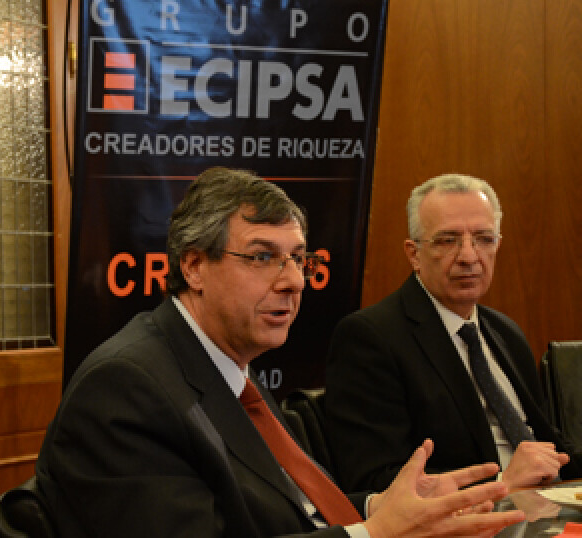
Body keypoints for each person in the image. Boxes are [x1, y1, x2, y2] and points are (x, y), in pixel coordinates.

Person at [35, 167, 524, 537]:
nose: (293, 281)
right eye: (262, 257)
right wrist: (373, 534)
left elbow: (291, 512)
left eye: (297, 258)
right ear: (194, 267)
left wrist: (382, 507)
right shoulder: (127, 387)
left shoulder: (229, 367)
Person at [324, 173, 581, 494]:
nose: (469, 257)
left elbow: (552, 445)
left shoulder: (505, 332)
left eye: (484, 239)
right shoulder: (370, 338)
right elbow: (375, 479)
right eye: (447, 240)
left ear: (498, 246)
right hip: (474, 513)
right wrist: (500, 483)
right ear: (414, 254)